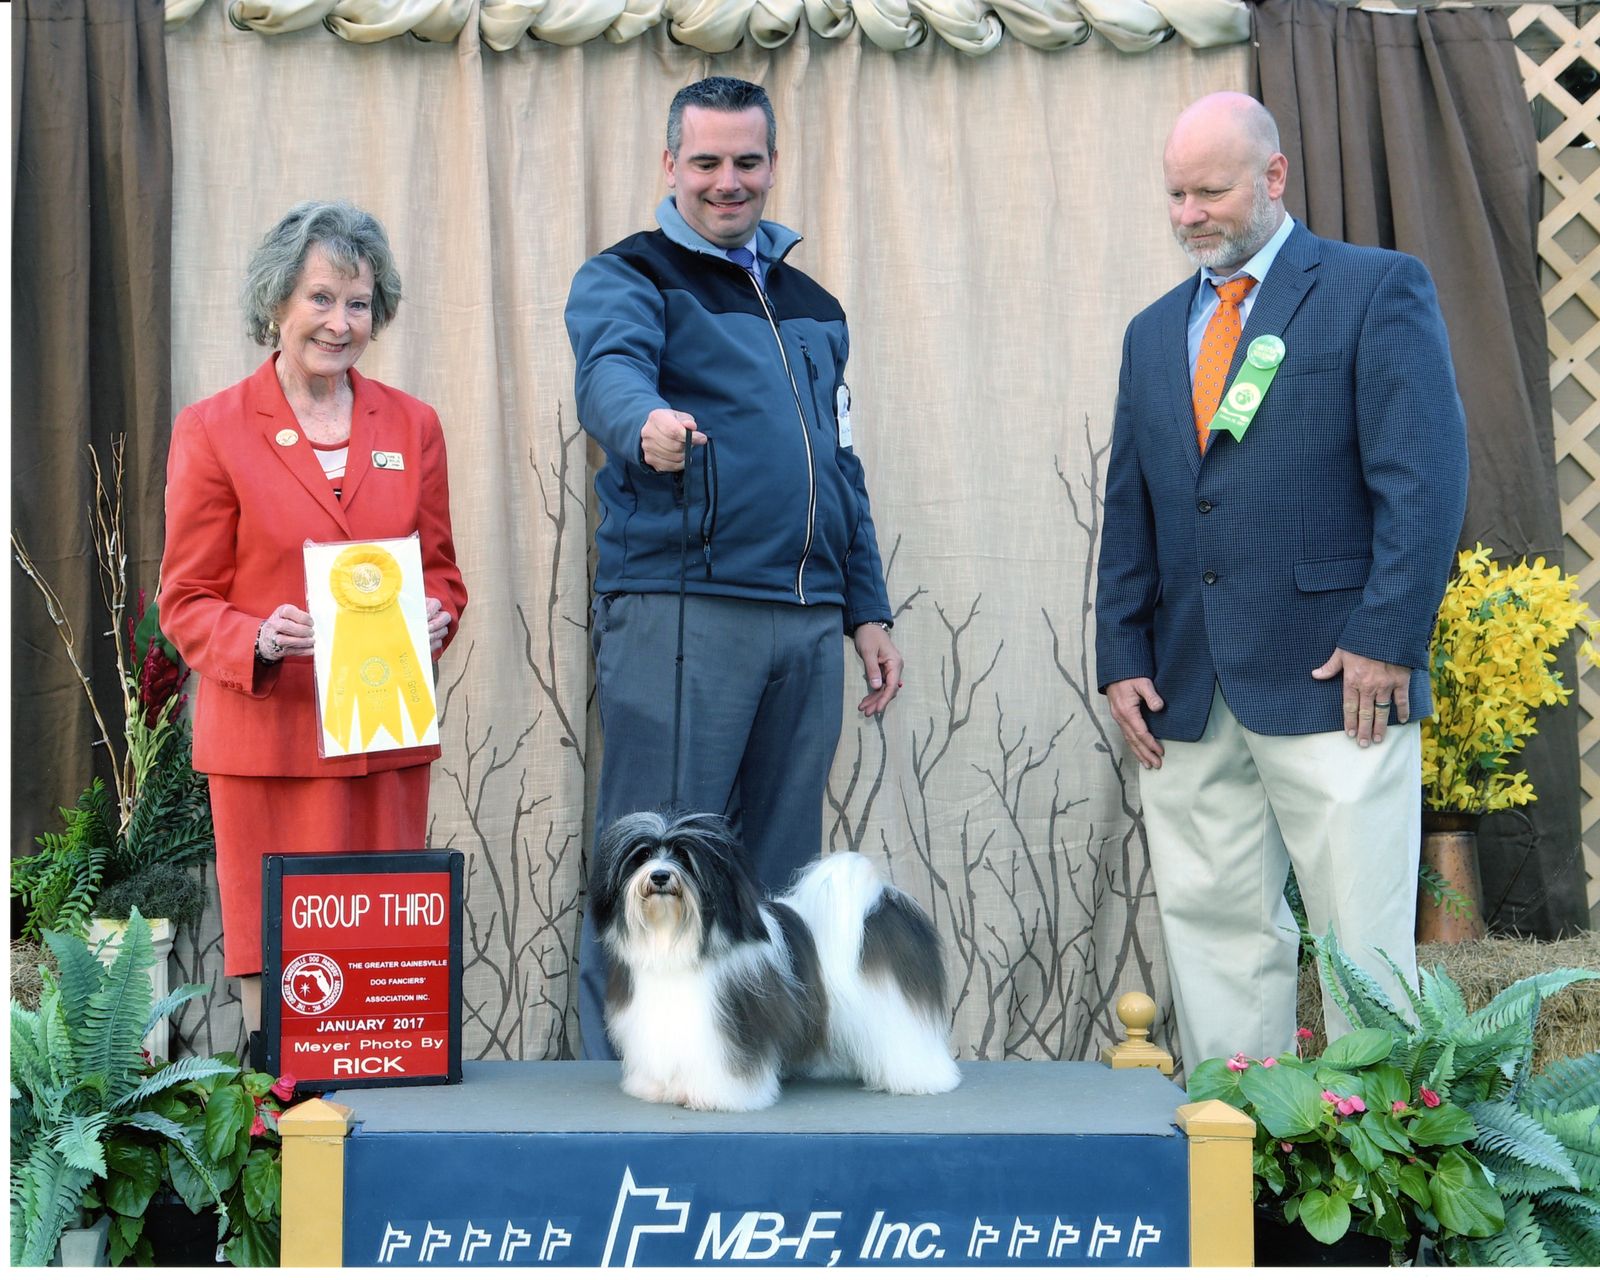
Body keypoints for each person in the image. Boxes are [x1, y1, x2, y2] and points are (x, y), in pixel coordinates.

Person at [1095, 92, 1468, 1069]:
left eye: (1210, 192)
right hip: (1185, 686)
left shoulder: (1374, 289)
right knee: (1212, 936)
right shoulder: (1149, 332)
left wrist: (1387, 636)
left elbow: (1424, 479)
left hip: (1340, 678)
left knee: (1364, 947)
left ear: (1273, 176)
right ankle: (1240, 1138)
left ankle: (1377, 1146)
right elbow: (1131, 505)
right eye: (1175, 195)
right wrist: (1121, 654)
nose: (1188, 215)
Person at [564, 76, 903, 1058]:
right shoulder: (627, 275)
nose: (727, 181)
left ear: (772, 164)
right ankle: (623, 1081)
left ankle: (759, 1068)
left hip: (808, 618)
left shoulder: (815, 306)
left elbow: (841, 463)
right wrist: (643, 423)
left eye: (746, 162)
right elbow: (609, 373)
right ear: (670, 163)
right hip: (682, 606)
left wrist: (866, 608)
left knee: (782, 875)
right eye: (705, 161)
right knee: (656, 861)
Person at [160, 200, 468, 1045]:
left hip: (383, 739)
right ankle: (283, 1105)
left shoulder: (414, 425)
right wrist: (256, 639)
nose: (340, 323)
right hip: (270, 743)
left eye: (358, 303)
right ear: (276, 303)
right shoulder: (212, 429)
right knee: (283, 960)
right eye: (321, 299)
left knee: (383, 954)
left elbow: (441, 571)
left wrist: (437, 613)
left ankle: (386, 1111)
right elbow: (185, 599)